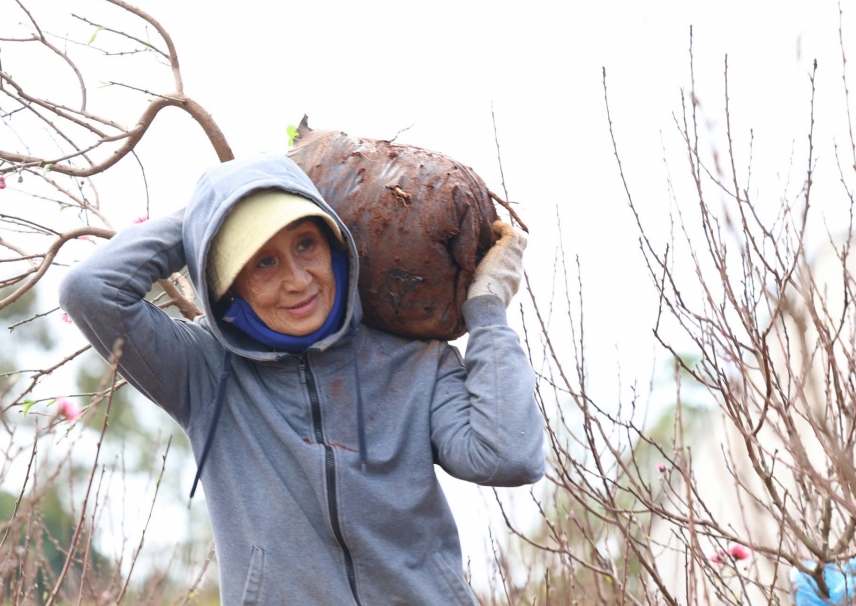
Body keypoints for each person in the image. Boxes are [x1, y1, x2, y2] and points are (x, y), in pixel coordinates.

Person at [60, 154, 544, 605]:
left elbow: (507, 455)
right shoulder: (203, 374)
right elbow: (90, 290)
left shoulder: (415, 363)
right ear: (229, 285)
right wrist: (215, 210)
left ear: (335, 244)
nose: (298, 280)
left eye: (306, 244)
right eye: (263, 263)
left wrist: (486, 312)